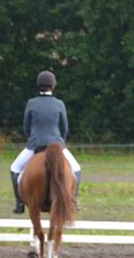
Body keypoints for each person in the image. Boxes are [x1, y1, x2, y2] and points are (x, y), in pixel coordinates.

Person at [10, 70, 81, 214]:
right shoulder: (59, 104)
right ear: (53, 86)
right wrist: (61, 141)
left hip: (35, 144)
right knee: (77, 169)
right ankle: (73, 201)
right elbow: (64, 128)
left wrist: (33, 138)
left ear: (38, 86)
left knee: (14, 169)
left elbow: (26, 127)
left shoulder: (31, 103)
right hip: (57, 145)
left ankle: (19, 203)